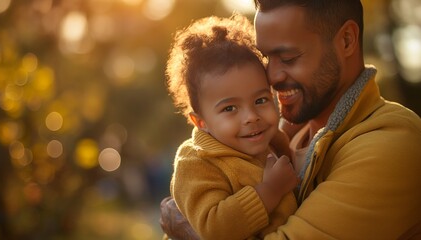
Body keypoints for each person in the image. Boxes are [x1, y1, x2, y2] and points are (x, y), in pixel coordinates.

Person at [160, 0, 421, 239]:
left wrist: (189, 233)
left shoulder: (391, 143)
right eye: (266, 58)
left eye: (288, 58)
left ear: (347, 40)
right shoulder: (279, 134)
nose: (271, 76)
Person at [164, 14, 300, 240]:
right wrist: (270, 191)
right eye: (229, 109)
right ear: (201, 122)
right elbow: (213, 228)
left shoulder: (276, 141)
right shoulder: (196, 162)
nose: (251, 117)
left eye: (260, 100)